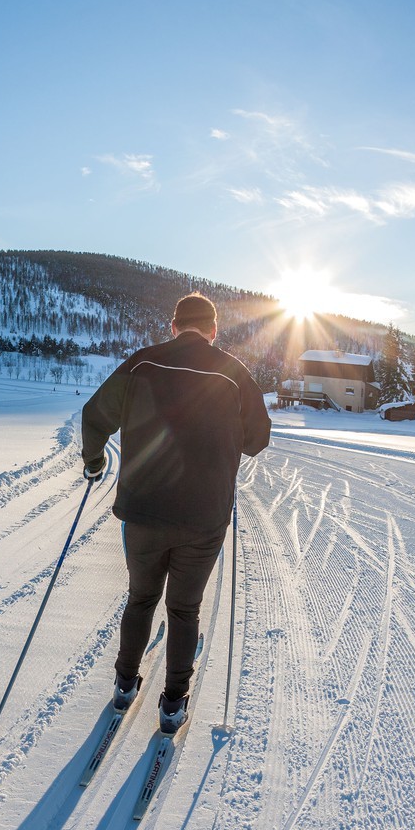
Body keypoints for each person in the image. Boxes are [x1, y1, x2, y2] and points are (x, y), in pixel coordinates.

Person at [81, 293, 270, 733]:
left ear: (173, 326)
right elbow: (258, 439)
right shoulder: (233, 374)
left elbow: (95, 415)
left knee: (140, 599)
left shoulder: (142, 363)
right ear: (214, 330)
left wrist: (94, 462)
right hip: (204, 519)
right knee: (185, 610)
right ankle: (172, 704)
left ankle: (125, 684)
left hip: (143, 510)